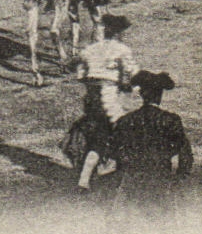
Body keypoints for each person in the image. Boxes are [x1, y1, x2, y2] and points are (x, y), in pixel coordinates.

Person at [66, 14, 137, 190]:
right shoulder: (121, 49)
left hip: (91, 100)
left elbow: (78, 71)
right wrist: (126, 85)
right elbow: (130, 75)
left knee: (98, 138)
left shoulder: (91, 49)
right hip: (109, 98)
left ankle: (83, 180)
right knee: (126, 133)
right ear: (119, 33)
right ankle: (126, 175)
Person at [110, 71, 193, 202]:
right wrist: (178, 178)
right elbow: (185, 153)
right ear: (159, 96)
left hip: (133, 182)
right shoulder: (171, 120)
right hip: (161, 180)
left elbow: (114, 151)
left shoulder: (126, 120)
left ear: (142, 94)